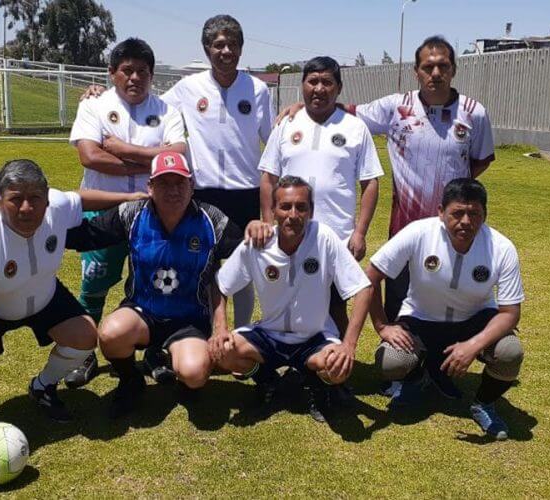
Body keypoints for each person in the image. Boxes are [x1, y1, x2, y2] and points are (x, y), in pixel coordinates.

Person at [279, 36, 495, 322]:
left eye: (443, 66)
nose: (435, 73)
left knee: (454, 289)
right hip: (404, 225)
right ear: (415, 71)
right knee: (399, 304)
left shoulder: (474, 112)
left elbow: (481, 159)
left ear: (454, 69)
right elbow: (346, 110)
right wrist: (302, 107)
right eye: (428, 67)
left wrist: (450, 185)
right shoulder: (396, 107)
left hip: (455, 225)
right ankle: (405, 355)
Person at [80, 15, 274, 331]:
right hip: (200, 192)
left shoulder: (258, 89)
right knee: (199, 266)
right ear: (207, 48)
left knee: (243, 267)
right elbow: (145, 104)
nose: (226, 50)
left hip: (245, 191)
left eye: (232, 44)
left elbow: (274, 138)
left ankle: (240, 335)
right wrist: (101, 93)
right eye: (218, 44)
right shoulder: (188, 87)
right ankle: (199, 329)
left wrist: (296, 112)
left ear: (241, 49)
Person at [0, 159, 143, 437]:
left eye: (35, 198)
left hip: (43, 294)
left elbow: (81, 200)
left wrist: (129, 197)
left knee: (86, 337)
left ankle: (42, 386)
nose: (26, 208)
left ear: (47, 197)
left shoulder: (56, 207)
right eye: (15, 200)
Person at [65, 152, 245, 418]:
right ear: (150, 186)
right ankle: (131, 381)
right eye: (163, 183)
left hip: (190, 319)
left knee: (195, 373)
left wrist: (220, 326)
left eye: (179, 183)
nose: (172, 190)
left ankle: (184, 378)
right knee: (111, 333)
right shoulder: (133, 213)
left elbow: (246, 255)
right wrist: (41, 225)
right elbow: (87, 236)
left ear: (191, 185)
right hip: (142, 312)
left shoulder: (212, 219)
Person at [67, 37, 186, 387]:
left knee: (154, 283)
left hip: (152, 213)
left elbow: (177, 154)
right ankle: (83, 354)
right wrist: (147, 162)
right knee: (93, 284)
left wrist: (121, 149)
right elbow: (90, 156)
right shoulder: (94, 106)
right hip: (103, 209)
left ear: (151, 75)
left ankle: (154, 352)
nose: (135, 78)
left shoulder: (166, 110)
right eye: (127, 70)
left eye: (142, 71)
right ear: (112, 73)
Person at [365, 178, 524, 440]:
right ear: (441, 212)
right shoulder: (418, 232)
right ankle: (417, 378)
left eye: (474, 214)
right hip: (421, 318)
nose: (465, 221)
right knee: (390, 362)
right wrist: (383, 325)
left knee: (510, 353)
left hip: (474, 320)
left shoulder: (502, 247)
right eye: (457, 213)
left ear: (485, 215)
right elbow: (370, 276)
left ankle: (484, 402)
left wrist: (472, 346)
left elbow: (510, 313)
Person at [211, 176, 373, 422]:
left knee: (338, 369)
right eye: (285, 206)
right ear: (274, 211)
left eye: (301, 207)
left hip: (314, 337)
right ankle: (267, 380)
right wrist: (220, 327)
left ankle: (316, 385)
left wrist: (348, 345)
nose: (293, 214)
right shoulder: (258, 244)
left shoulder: (324, 237)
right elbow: (220, 285)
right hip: (269, 335)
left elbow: (363, 289)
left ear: (311, 211)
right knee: (223, 352)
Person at [259, 56, 383, 335]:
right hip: (290, 232)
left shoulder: (354, 128)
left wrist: (360, 232)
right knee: (290, 299)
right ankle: (295, 359)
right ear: (302, 86)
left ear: (338, 88)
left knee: (336, 305)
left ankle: (335, 371)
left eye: (327, 82)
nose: (319, 88)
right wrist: (269, 222)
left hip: (337, 234)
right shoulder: (286, 125)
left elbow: (371, 182)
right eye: (312, 81)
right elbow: (268, 177)